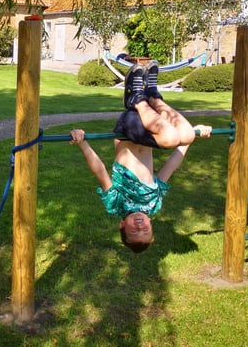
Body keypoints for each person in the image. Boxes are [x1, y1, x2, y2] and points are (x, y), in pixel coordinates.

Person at [70, 61, 212, 253]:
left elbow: (100, 170)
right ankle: (152, 95)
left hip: (129, 128)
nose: (140, 227)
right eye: (146, 230)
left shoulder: (116, 205)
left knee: (171, 137)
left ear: (122, 225)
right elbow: (170, 167)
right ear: (151, 223)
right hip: (149, 127)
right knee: (186, 135)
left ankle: (136, 99)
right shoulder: (154, 204)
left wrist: (82, 142)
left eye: (134, 232)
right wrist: (195, 134)